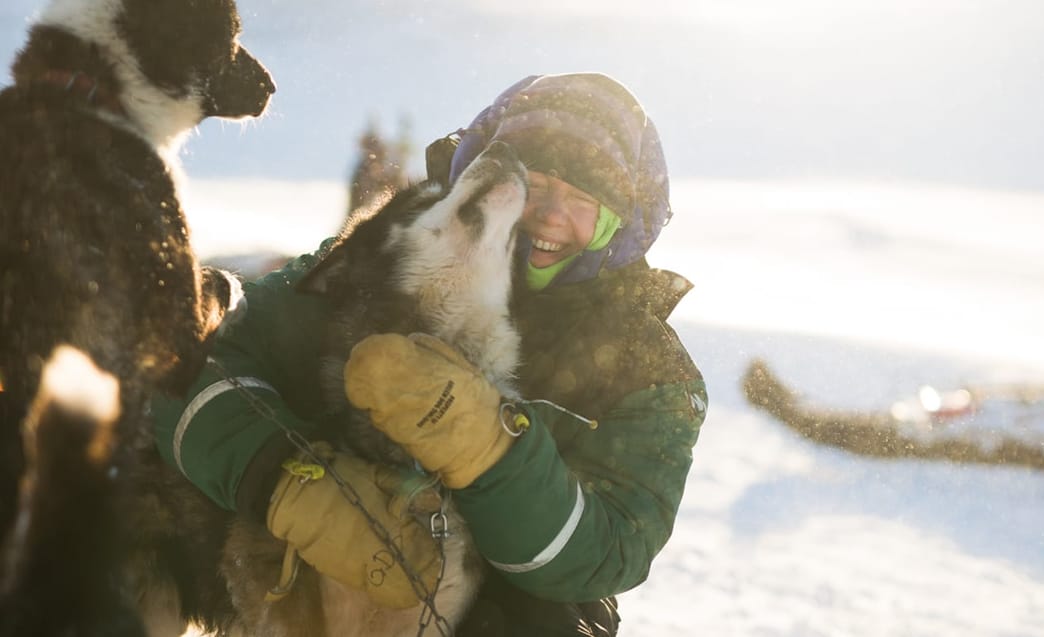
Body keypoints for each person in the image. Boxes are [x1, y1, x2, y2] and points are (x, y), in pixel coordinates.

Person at [152, 72, 708, 636]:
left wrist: (488, 448)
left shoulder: (646, 369)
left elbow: (608, 551)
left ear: (619, 226)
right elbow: (191, 361)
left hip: (504, 605)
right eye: (537, 184)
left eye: (583, 199)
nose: (550, 216)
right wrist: (280, 476)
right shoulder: (388, 259)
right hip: (294, 574)